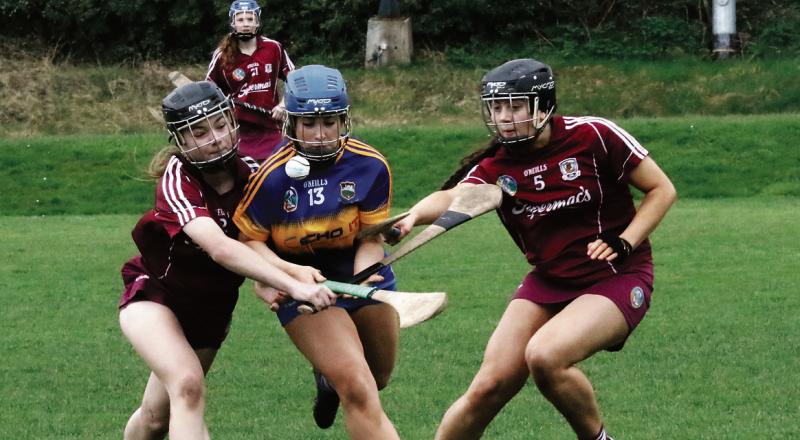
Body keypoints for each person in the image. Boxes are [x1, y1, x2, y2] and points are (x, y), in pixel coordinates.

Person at [391, 58, 678, 440]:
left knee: (545, 356)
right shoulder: (497, 166)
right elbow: (455, 196)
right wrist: (411, 217)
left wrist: (624, 242)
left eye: (514, 106)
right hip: (549, 282)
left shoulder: (593, 135)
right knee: (489, 385)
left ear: (543, 106)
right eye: (496, 107)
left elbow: (662, 190)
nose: (504, 117)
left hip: (615, 275)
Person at [118, 81, 336, 440]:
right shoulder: (178, 180)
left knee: (156, 418)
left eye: (220, 125)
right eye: (199, 132)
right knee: (188, 386)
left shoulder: (254, 175)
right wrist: (293, 284)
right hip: (159, 296)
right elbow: (220, 246)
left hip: (211, 309)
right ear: (180, 141)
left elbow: (260, 241)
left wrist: (279, 274)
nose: (215, 138)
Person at [233, 64, 401, 439]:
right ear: (291, 124)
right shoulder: (270, 177)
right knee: (358, 387)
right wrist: (288, 277)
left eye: (329, 121)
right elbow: (249, 242)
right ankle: (337, 380)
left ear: (344, 120)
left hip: (361, 271)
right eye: (309, 123)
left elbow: (370, 237)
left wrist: (360, 280)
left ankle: (327, 383)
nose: (320, 134)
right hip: (299, 282)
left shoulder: (370, 165)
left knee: (378, 376)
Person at [206, 0, 294, 161]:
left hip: (271, 128)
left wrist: (283, 104)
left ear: (257, 22)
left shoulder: (274, 48)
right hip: (238, 131)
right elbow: (209, 89)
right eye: (240, 20)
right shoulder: (222, 55)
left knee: (276, 176)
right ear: (233, 23)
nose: (245, 24)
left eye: (250, 19)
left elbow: (295, 79)